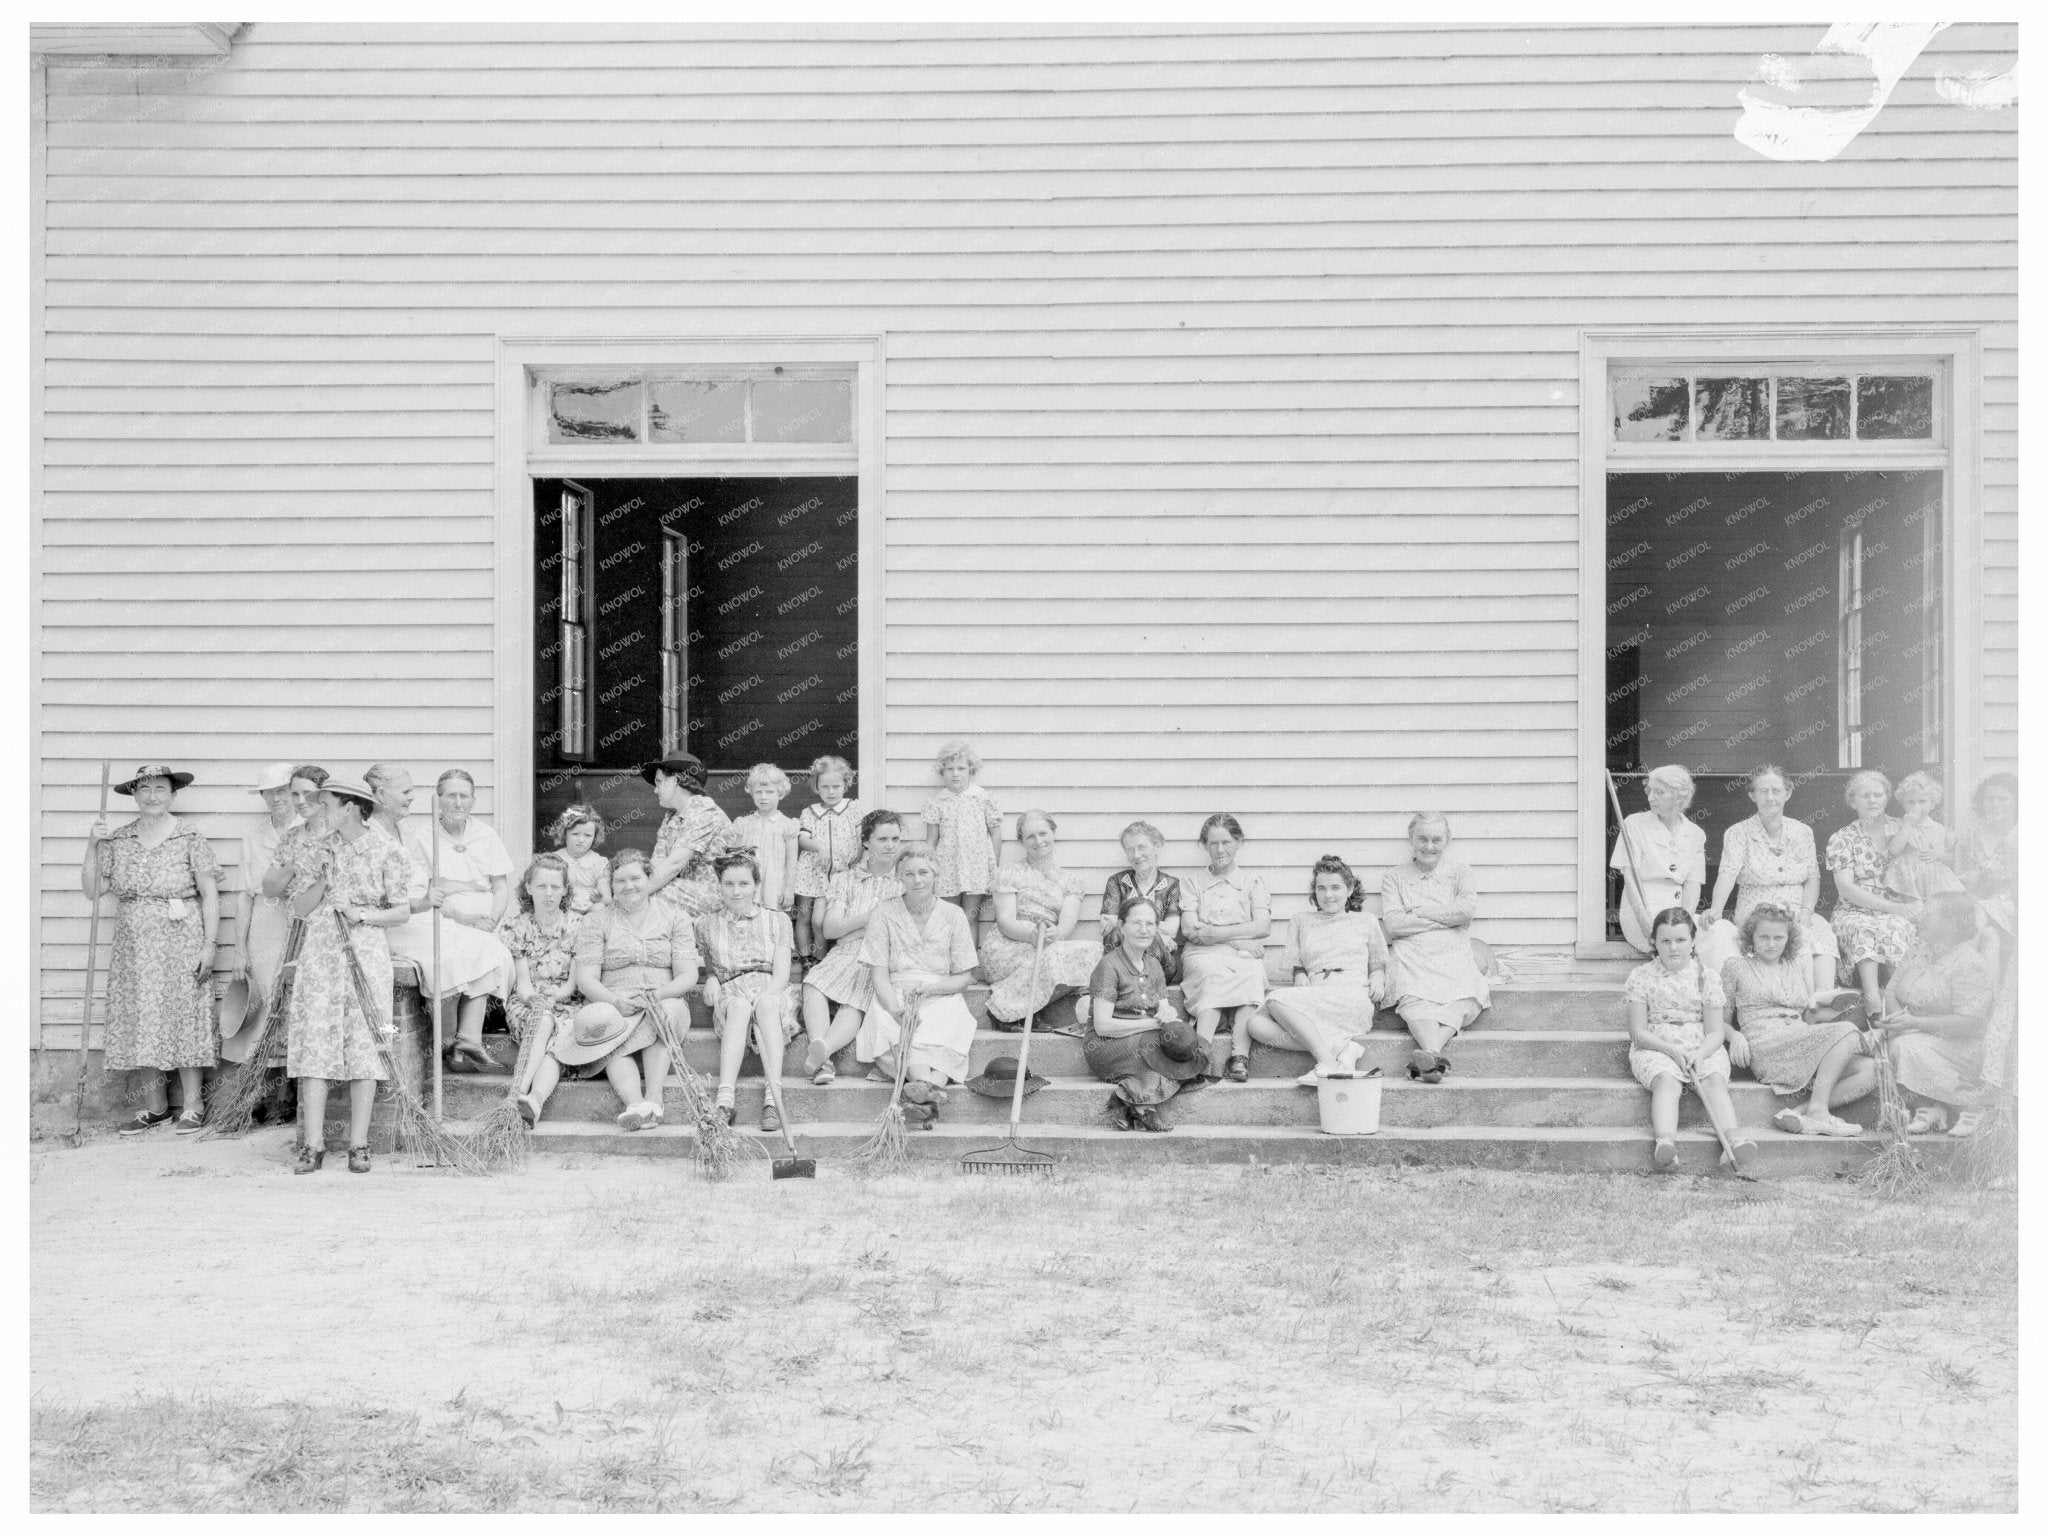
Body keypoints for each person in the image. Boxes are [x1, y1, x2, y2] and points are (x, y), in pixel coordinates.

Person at [268, 776, 413, 1174]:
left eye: (327, 804)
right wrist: (322, 880)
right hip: (319, 952)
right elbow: (299, 907)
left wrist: (362, 914)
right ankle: (312, 1146)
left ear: (349, 808)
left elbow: (401, 910)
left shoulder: (388, 850)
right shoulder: (316, 848)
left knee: (367, 1043)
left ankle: (359, 1145)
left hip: (365, 950)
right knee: (315, 1041)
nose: (320, 811)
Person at [82, 764, 222, 1136]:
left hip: (182, 938)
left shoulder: (189, 835)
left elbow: (209, 893)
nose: (152, 796)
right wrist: (93, 845)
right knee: (143, 1017)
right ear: (134, 795)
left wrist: (210, 945)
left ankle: (193, 1106)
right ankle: (155, 1107)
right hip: (135, 946)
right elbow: (93, 889)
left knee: (184, 1015)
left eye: (160, 788)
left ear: (172, 794)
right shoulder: (120, 838)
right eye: (144, 789)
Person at [522, 848, 697, 1132]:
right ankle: (636, 1105)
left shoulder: (675, 916)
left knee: (663, 1013)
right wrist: (615, 1001)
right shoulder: (596, 921)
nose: (628, 887)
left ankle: (654, 1098)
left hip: (662, 996)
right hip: (615, 998)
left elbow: (688, 974)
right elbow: (587, 979)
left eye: (635, 879)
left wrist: (660, 994)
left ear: (649, 878)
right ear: (611, 886)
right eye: (620, 881)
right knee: (609, 1028)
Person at [364, 763, 514, 1075]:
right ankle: (445, 1041)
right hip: (402, 920)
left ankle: (468, 1040)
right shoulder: (375, 835)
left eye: (465, 796)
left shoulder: (402, 830)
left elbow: (500, 885)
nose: (411, 798)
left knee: (488, 948)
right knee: (448, 954)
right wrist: (434, 905)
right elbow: (393, 892)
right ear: (380, 794)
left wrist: (488, 918)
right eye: (406, 792)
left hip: (420, 913)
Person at [1718, 903, 1870, 1137]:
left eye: (1779, 937)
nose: (1771, 944)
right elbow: (1719, 1020)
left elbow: (1806, 1015)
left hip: (1799, 1036)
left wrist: (1827, 1008)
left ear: (1789, 938)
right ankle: (1818, 1114)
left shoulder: (1794, 965)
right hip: (1766, 1044)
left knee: (1872, 1070)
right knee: (1848, 1031)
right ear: (1751, 937)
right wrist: (1735, 1036)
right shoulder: (1735, 967)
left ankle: (1800, 1112)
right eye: (1764, 937)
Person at [857, 845, 981, 1128]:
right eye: (909, 873)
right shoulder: (884, 914)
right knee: (895, 1028)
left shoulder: (953, 915)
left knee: (950, 1023)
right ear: (899, 877)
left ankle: (921, 1093)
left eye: (923, 872)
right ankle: (932, 1090)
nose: (917, 880)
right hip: (895, 992)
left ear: (935, 875)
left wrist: (932, 990)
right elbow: (879, 976)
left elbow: (964, 976)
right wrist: (897, 1010)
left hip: (941, 992)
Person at [1624, 908, 1756, 1175]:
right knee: (1666, 1080)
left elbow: (1716, 1033)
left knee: (1714, 1081)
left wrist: (1700, 1053)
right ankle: (1665, 1144)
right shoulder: (1641, 976)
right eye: (1666, 941)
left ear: (1693, 941)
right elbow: (1638, 1033)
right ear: (1654, 943)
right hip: (1656, 1045)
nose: (1674, 948)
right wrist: (1670, 1050)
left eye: (1681, 940)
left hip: (1701, 1045)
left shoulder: (1707, 977)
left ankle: (1733, 1142)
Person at [1698, 764, 1841, 993]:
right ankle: (1804, 1001)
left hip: (1796, 906)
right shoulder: (1738, 832)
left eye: (1776, 790)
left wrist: (1806, 911)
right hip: (1757, 908)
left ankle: (1823, 999)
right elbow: (1727, 874)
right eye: (1763, 791)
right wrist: (1715, 909)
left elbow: (1813, 877)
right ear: (1752, 795)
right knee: (1795, 935)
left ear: (1788, 793)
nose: (1770, 797)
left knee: (1821, 931)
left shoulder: (1802, 831)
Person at [221, 764, 316, 1105]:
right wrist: (239, 949)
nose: (277, 798)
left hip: (302, 923)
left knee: (296, 1004)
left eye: (284, 791)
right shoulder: (254, 836)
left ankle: (295, 1098)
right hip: (264, 927)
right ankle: (259, 1097)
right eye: (269, 792)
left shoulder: (309, 830)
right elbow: (245, 897)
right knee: (263, 1003)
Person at [1253, 855, 1390, 1086]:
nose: (1328, 895)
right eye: (1321, 888)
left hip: (1352, 994)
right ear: (1314, 892)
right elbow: (1297, 966)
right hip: (1316, 994)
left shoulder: (1365, 921)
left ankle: (1326, 1061)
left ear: (1349, 889)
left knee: (1274, 1001)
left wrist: (1378, 977)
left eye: (1336, 887)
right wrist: (1300, 975)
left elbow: (1377, 963)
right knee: (1254, 1025)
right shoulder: (1300, 920)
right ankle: (1342, 1049)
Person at [1083, 897, 1212, 1132]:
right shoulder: (1109, 967)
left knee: (1188, 1046)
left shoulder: (1153, 965)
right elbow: (1102, 1026)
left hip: (1145, 1033)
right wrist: (1152, 1023)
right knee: (1154, 1055)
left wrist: (1167, 1012)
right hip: (1106, 1044)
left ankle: (1124, 1102)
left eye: (1150, 924)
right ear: (1121, 926)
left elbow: (1163, 1006)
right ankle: (1143, 1108)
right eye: (1137, 923)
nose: (1144, 930)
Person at [1871, 894, 1996, 1136]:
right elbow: (1891, 991)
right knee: (1875, 1045)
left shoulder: (1968, 963)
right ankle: (1929, 1105)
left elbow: (1970, 1023)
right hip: (1913, 1032)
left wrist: (1913, 1024)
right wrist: (1899, 1021)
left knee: (1901, 1047)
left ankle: (1968, 1105)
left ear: (1950, 923)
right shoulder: (1919, 948)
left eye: (1929, 913)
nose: (1921, 917)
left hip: (1959, 1045)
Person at [1380, 812, 1491, 1084]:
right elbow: (1394, 924)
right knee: (1415, 998)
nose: (1429, 846)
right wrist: (1443, 920)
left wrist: (1420, 912)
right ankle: (1432, 1058)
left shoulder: (1460, 873)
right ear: (1411, 839)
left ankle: (1428, 1056)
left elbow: (1465, 913)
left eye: (1436, 839)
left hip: (1453, 951)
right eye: (1423, 839)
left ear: (1447, 840)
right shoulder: (1394, 877)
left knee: (1463, 996)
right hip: (1411, 953)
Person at [799, 810, 906, 1085]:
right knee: (812, 983)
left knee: (854, 1000)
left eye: (895, 838)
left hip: (878, 957)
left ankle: (822, 1057)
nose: (890, 845)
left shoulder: (903, 882)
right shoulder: (845, 880)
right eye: (882, 838)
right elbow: (832, 929)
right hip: (843, 952)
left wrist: (854, 929)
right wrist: (872, 917)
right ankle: (822, 1060)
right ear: (866, 841)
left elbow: (898, 932)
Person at [695, 852, 799, 1131]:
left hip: (770, 987)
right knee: (739, 1007)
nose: (736, 891)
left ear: (756, 885)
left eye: (743, 883)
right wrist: (712, 978)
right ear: (720, 885)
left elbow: (781, 975)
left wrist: (766, 995)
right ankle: (725, 1100)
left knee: (765, 1006)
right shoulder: (705, 924)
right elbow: (710, 966)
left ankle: (772, 1098)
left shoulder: (777, 921)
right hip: (732, 990)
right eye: (728, 884)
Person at [981, 810, 1099, 1031]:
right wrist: (1030, 936)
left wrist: (1058, 934)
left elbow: (1066, 922)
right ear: (1022, 842)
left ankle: (1015, 1010)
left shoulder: (1070, 880)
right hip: (1009, 944)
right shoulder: (1008, 873)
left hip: (1048, 941)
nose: (1038, 841)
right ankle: (1012, 1013)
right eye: (1030, 837)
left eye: (1043, 833)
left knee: (1094, 953)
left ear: (1053, 833)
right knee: (1048, 959)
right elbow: (1005, 920)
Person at [1950, 772, 2018, 1139]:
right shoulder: (1974, 838)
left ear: (2015, 803)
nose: (1995, 806)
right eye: (1989, 800)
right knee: (1983, 926)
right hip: (1983, 909)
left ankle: (1969, 974)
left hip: (2015, 908)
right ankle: (1981, 986)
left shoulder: (2022, 836)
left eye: (2003, 800)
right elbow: (1966, 883)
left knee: (1982, 920)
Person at [1180, 813, 1272, 1081]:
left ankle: (1239, 1057)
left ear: (1238, 841)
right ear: (1204, 846)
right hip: (1202, 953)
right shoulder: (1192, 882)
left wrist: (1221, 936)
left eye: (1226, 842)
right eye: (1212, 844)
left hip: (1242, 951)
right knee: (1214, 974)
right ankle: (1201, 1053)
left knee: (1252, 975)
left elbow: (1263, 926)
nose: (1219, 850)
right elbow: (1190, 930)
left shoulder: (1252, 881)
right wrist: (1236, 937)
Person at [1827, 769, 1923, 1019]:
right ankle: (1872, 1004)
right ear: (1852, 801)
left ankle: (1899, 1002)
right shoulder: (1842, 838)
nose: (1872, 800)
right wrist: (1893, 908)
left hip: (1899, 904)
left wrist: (1907, 904)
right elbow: (1846, 889)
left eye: (1878, 795)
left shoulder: (1903, 828)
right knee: (1863, 928)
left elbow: (1921, 868)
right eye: (1864, 796)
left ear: (1887, 797)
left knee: (1896, 926)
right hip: (1854, 909)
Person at [1610, 764, 1707, 952]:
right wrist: (1644, 920)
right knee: (1670, 941)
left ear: (1679, 796)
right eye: (1649, 791)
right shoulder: (1634, 824)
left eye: (1659, 792)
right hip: (1641, 910)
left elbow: (1693, 883)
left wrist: (1686, 921)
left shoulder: (1695, 834)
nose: (1650, 797)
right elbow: (1629, 879)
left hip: (1679, 912)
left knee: (1719, 932)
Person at [921, 738, 1001, 939]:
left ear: (970, 771)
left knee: (969, 917)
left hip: (976, 867)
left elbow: (995, 833)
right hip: (947, 867)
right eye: (949, 769)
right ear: (943, 772)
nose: (955, 773)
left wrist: (994, 866)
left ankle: (969, 967)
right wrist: (929, 867)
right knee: (948, 917)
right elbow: (931, 841)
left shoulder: (981, 798)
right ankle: (949, 965)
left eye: (961, 768)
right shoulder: (938, 802)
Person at [644, 752, 739, 920]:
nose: (655, 789)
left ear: (674, 780)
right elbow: (656, 865)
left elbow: (675, 864)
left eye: (658, 782)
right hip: (685, 892)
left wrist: (635, 894)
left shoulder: (703, 808)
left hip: (716, 896)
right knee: (633, 884)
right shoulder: (670, 817)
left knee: (648, 893)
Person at [499, 853, 581, 1045]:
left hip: (568, 1003)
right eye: (541, 886)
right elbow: (523, 984)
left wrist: (555, 998)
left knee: (565, 1031)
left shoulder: (580, 925)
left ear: (565, 890)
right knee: (541, 1022)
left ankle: (527, 1075)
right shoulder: (515, 926)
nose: (549, 893)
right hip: (527, 1003)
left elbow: (571, 985)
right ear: (528, 888)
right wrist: (534, 1001)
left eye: (555, 887)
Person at [794, 755, 863, 961]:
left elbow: (861, 840)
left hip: (841, 874)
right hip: (811, 872)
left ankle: (828, 959)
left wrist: (856, 862)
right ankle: (807, 959)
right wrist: (819, 847)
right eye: (825, 786)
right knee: (805, 917)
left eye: (836, 786)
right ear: (816, 786)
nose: (831, 792)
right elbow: (802, 839)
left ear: (845, 784)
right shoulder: (810, 812)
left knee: (825, 920)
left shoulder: (853, 808)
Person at [1097, 820, 1183, 984]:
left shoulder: (1172, 884)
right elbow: (1107, 926)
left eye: (1141, 847)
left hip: (1161, 964)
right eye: (1130, 850)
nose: (1136, 855)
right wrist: (1157, 933)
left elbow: (1171, 930)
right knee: (1116, 932)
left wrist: (1128, 925)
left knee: (1152, 941)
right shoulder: (1117, 882)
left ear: (1157, 846)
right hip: (1120, 961)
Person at [729, 763, 801, 917]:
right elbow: (734, 859)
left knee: (773, 923)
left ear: (780, 794)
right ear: (752, 793)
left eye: (769, 792)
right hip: (748, 884)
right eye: (758, 792)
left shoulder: (787, 825)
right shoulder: (743, 824)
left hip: (774, 886)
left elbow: (791, 863)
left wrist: (788, 889)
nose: (763, 797)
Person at [1882, 771, 1965, 904]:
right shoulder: (1899, 825)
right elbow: (1893, 850)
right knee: (1913, 911)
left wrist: (1939, 855)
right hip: (1907, 881)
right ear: (1903, 804)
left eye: (1922, 801)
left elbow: (1953, 858)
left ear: (1932, 803)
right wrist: (1907, 824)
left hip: (1934, 882)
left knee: (1936, 912)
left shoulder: (1940, 829)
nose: (1916, 806)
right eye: (1910, 802)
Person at [546, 803, 611, 916]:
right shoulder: (555, 859)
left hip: (588, 912)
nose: (581, 840)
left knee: (599, 908)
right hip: (562, 910)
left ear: (595, 837)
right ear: (564, 833)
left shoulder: (599, 862)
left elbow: (607, 899)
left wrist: (598, 898)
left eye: (587, 835)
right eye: (575, 834)